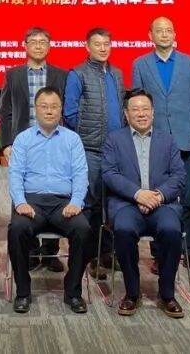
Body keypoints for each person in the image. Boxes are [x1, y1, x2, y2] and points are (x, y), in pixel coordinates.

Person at [131, 17, 190, 273]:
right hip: (155, 142)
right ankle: (160, 254)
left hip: (187, 140)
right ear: (150, 35)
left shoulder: (189, 63)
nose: (164, 34)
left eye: (168, 30)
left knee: (189, 201)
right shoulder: (140, 64)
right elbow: (137, 104)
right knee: (158, 199)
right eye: (159, 31)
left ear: (175, 34)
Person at [102, 89, 187, 318]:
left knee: (171, 230)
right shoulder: (114, 140)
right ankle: (132, 292)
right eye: (135, 109)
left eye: (145, 109)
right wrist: (138, 194)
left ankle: (167, 294)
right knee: (123, 230)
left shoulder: (167, 140)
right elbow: (109, 174)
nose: (141, 114)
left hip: (162, 204)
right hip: (127, 204)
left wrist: (157, 196)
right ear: (126, 114)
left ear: (153, 112)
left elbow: (179, 176)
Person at [7, 87, 91, 314]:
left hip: (63, 203)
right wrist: (20, 202)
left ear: (61, 109)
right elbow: (15, 174)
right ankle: (22, 292)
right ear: (36, 109)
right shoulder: (23, 139)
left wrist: (76, 202)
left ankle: (73, 292)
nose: (49, 111)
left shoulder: (72, 139)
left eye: (54, 107)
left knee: (83, 229)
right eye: (44, 106)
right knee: (17, 229)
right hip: (31, 202)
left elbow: (81, 174)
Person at [0, 26, 68, 272]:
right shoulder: (13, 75)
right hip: (23, 145)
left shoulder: (61, 75)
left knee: (54, 193)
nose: (38, 46)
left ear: (49, 46)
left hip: (53, 144)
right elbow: (6, 112)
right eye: (34, 41)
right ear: (25, 46)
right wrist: (7, 143)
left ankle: (50, 253)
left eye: (43, 42)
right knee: (22, 193)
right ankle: (27, 251)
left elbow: (66, 111)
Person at [64, 27, 125, 277]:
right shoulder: (77, 74)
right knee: (89, 204)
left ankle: (107, 252)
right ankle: (88, 257)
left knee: (112, 203)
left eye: (106, 44)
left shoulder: (117, 74)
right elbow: (69, 113)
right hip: (89, 149)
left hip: (115, 150)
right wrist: (86, 137)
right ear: (87, 46)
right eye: (97, 44)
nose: (102, 48)